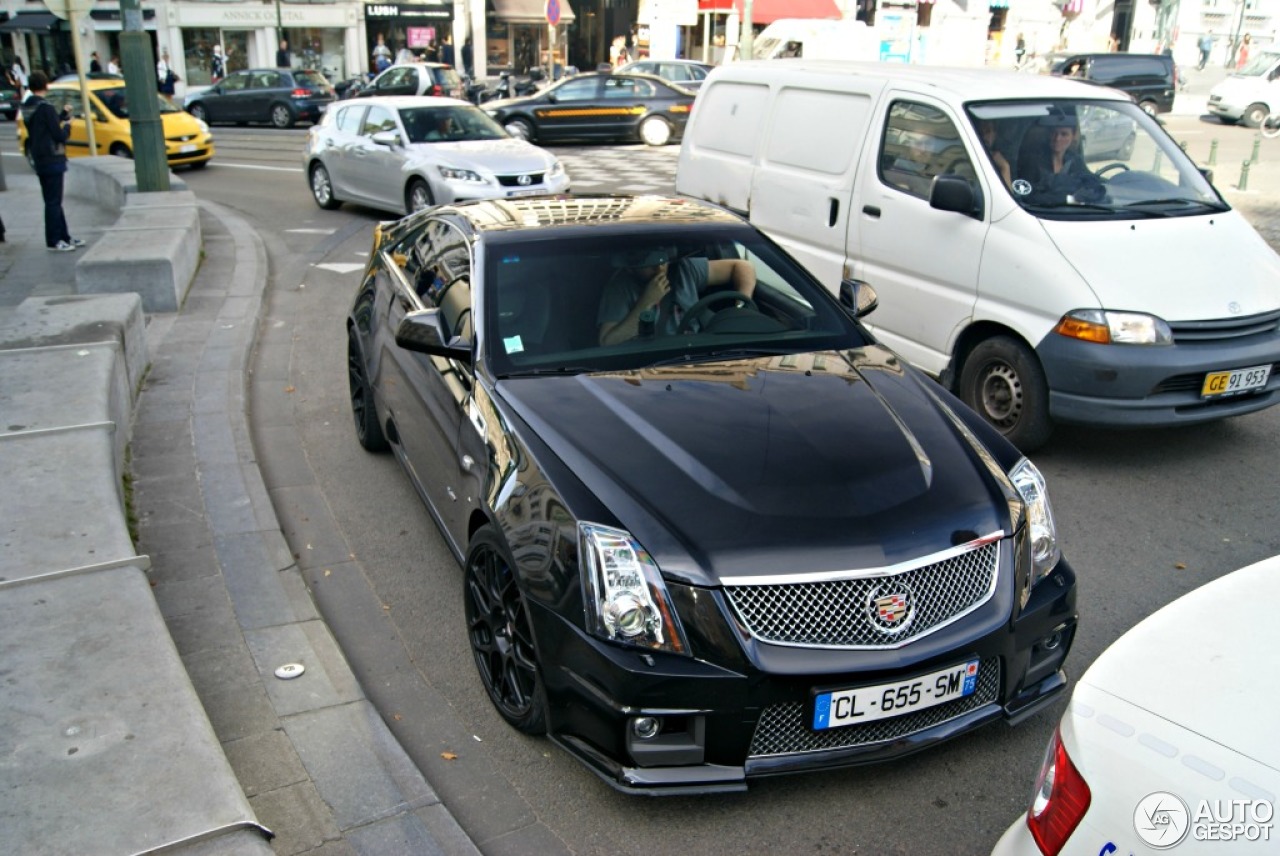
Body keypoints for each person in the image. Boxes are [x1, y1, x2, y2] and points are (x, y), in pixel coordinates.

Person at [597, 247, 756, 345]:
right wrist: (646, 302)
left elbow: (742, 267)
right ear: (631, 269)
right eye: (650, 266)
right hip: (652, 361)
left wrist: (741, 307)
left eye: (662, 262)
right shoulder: (620, 287)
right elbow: (608, 342)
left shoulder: (684, 270)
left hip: (697, 351)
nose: (660, 270)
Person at [21, 72, 84, 252]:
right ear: (46, 85)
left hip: (39, 159)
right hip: (52, 158)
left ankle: (64, 236)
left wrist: (62, 114)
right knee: (54, 202)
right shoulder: (46, 107)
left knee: (53, 200)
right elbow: (58, 135)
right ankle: (55, 239)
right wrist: (68, 125)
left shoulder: (28, 107)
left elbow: (44, 125)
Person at [1016, 112, 1106, 206]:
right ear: (1048, 135)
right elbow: (1027, 195)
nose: (1057, 138)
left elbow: (1092, 184)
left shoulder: (1075, 160)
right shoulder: (1033, 161)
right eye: (1054, 133)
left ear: (1073, 136)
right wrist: (1068, 199)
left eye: (1064, 134)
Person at [977, 118, 1012, 189]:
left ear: (994, 135)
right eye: (980, 132)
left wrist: (1004, 167)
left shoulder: (1004, 159)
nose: (984, 137)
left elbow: (1006, 197)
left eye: (988, 131)